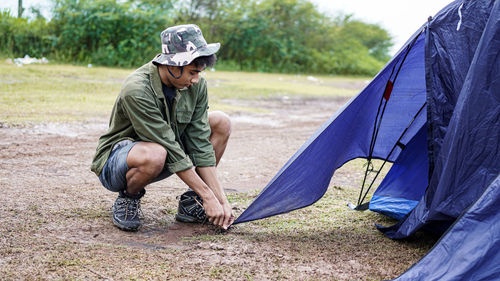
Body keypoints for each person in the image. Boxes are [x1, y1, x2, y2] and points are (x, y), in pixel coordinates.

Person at [90, 24, 234, 231]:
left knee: (220, 121)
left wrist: (220, 200)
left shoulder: (196, 85)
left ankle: (191, 204)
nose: (196, 80)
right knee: (156, 153)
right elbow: (168, 145)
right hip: (118, 162)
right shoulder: (137, 89)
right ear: (174, 65)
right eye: (192, 72)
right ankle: (128, 198)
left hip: (166, 151)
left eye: (199, 73)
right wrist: (208, 196)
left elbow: (200, 144)